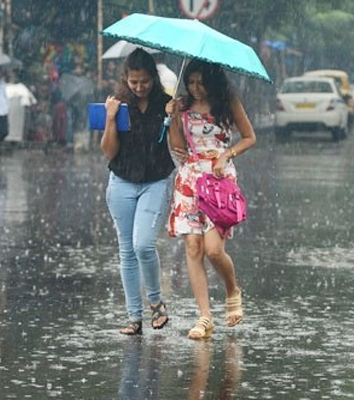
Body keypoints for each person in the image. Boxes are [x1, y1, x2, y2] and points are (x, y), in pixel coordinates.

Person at [166, 60, 256, 340]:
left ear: (213, 81)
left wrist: (226, 154)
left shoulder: (227, 102)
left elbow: (249, 137)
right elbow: (178, 148)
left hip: (219, 180)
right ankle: (204, 316)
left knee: (214, 250)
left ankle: (232, 288)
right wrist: (172, 119)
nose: (195, 88)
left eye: (200, 82)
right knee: (193, 247)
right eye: (190, 82)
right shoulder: (182, 105)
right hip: (190, 180)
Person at [101, 48, 174, 335]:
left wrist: (173, 118)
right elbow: (108, 151)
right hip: (121, 181)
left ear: (153, 78)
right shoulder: (118, 105)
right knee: (127, 251)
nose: (140, 87)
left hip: (156, 180)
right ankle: (134, 317)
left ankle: (156, 302)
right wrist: (110, 118)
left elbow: (176, 145)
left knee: (143, 244)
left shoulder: (166, 103)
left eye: (145, 81)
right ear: (125, 79)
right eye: (134, 82)